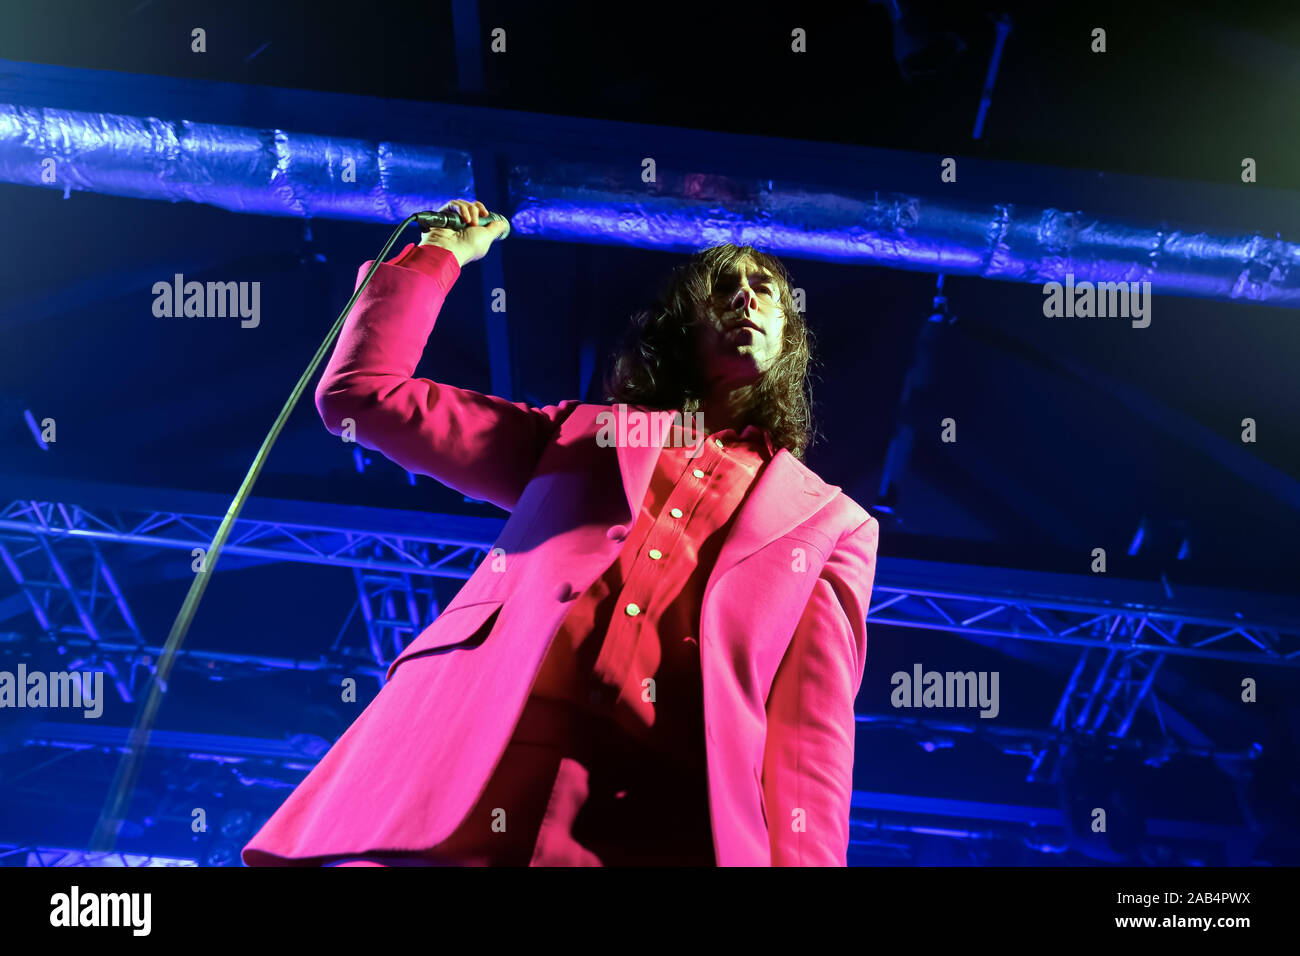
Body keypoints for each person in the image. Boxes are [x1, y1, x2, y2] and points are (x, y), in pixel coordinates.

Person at [241, 199, 879, 867]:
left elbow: (811, 739)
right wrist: (440, 256)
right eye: (721, 288)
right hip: (468, 772)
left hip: (661, 820)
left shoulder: (832, 524)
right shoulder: (583, 435)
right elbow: (361, 396)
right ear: (683, 327)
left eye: (765, 290)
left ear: (790, 334)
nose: (744, 297)